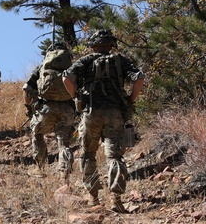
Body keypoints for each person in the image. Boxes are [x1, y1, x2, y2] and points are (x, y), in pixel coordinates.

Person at [62, 29, 145, 212]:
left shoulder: (86, 61)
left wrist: (76, 97)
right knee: (114, 155)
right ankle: (116, 198)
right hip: (115, 113)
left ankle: (93, 198)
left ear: (94, 45)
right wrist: (131, 99)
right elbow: (139, 78)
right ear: (111, 45)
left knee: (88, 154)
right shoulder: (120, 61)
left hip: (91, 113)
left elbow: (66, 77)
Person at [22, 41, 76, 179]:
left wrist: (29, 108)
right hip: (67, 109)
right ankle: (65, 173)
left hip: (46, 108)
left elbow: (26, 89)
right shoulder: (72, 69)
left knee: (37, 133)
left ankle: (40, 168)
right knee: (64, 142)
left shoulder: (41, 68)